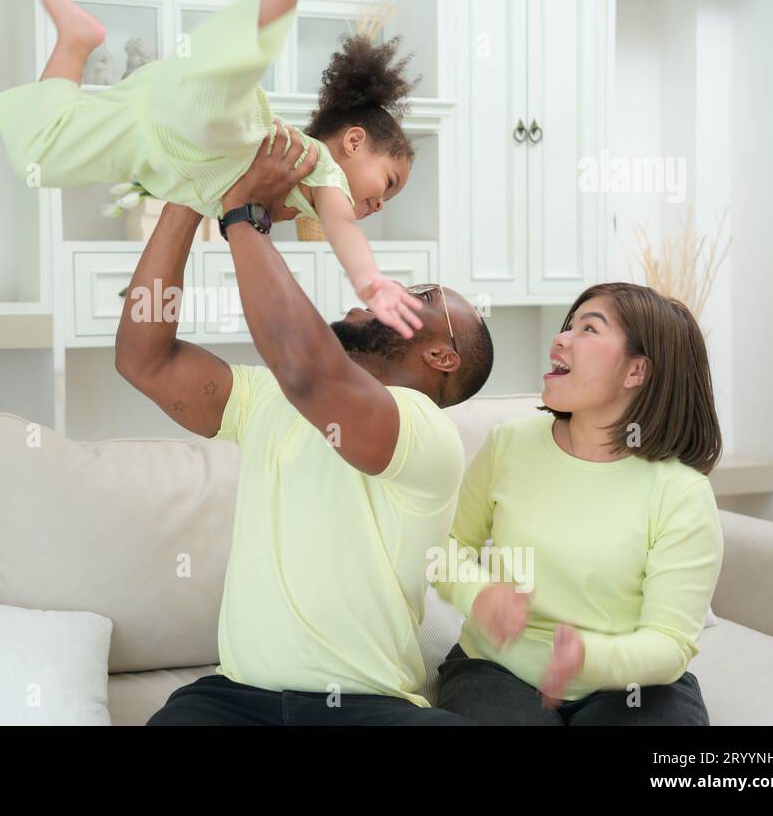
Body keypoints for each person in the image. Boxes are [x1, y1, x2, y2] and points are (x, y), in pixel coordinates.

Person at [115, 120, 495, 725]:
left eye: (419, 294)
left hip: (371, 711)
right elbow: (144, 359)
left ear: (441, 357)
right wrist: (191, 196)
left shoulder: (427, 433)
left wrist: (243, 217)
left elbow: (309, 371)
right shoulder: (267, 396)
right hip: (234, 702)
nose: (389, 287)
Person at [0, 0, 425, 336]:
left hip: (156, 147)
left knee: (38, 154)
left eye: (385, 203)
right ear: (353, 142)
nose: (377, 203)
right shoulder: (322, 169)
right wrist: (369, 281)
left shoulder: (293, 204)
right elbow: (343, 226)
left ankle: (75, 41)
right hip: (217, 130)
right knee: (233, 61)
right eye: (387, 183)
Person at [433, 283, 724, 725]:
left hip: (632, 685)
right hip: (498, 670)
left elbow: (669, 643)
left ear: (636, 372)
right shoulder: (509, 445)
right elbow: (446, 547)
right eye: (568, 325)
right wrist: (479, 594)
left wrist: (587, 657)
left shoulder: (681, 492)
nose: (561, 338)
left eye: (589, 328)